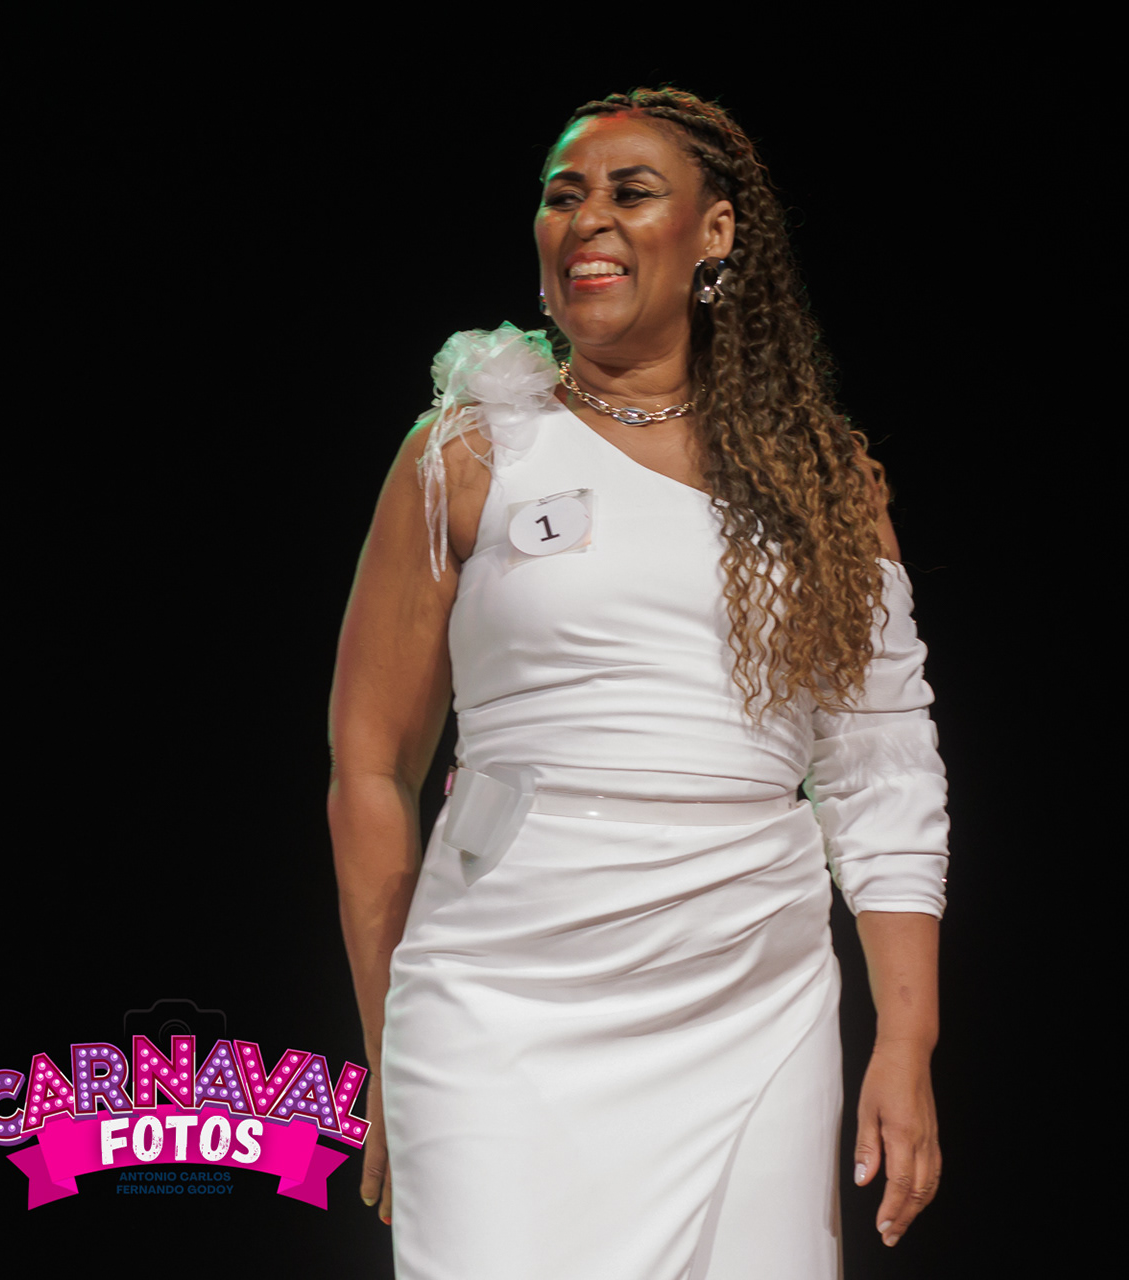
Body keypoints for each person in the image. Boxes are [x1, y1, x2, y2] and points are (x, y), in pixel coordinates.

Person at [328, 88, 947, 1278]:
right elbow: (369, 768)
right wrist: (385, 1036)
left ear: (715, 232)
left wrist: (907, 1038)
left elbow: (883, 767)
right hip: (498, 1005)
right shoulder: (470, 450)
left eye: (630, 191)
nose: (588, 219)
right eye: (563, 195)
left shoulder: (822, 482)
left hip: (750, 1001)